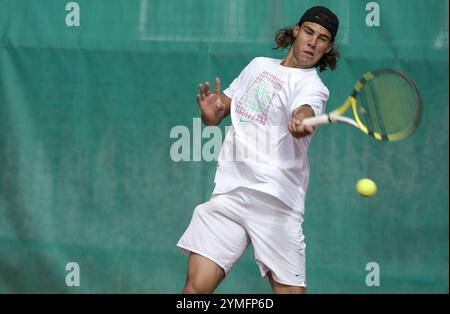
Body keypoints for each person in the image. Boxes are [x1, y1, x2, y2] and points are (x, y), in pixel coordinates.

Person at [177, 6, 340, 294]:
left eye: (323, 38)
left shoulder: (314, 87)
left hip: (275, 202)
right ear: (296, 31)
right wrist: (210, 111)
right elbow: (217, 114)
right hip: (231, 192)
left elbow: (304, 111)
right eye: (309, 32)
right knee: (194, 292)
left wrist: (302, 120)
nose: (313, 42)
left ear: (328, 48)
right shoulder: (257, 66)